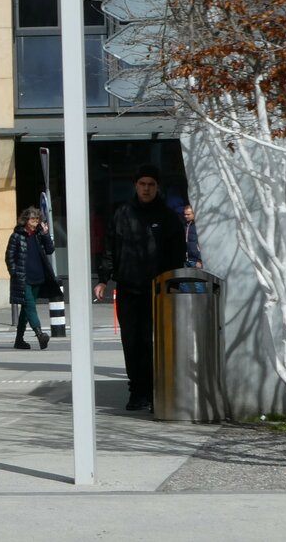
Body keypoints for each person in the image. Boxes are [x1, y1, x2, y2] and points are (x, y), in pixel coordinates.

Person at [94, 164, 187, 412]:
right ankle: (137, 392)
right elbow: (110, 248)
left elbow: (177, 254)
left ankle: (156, 392)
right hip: (128, 288)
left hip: (156, 291)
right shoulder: (122, 214)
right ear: (136, 186)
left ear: (157, 187)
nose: (146, 189)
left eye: (151, 185)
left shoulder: (168, 218)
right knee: (131, 342)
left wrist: (173, 284)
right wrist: (103, 278)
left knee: (152, 343)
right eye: (143, 184)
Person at [5, 206, 54, 350]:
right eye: (32, 219)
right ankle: (40, 334)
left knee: (26, 310)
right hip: (23, 279)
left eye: (37, 219)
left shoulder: (39, 235)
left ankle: (19, 340)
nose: (35, 222)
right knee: (30, 306)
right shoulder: (17, 236)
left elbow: (50, 249)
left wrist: (45, 234)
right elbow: (9, 257)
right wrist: (15, 273)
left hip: (38, 278)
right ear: (26, 220)